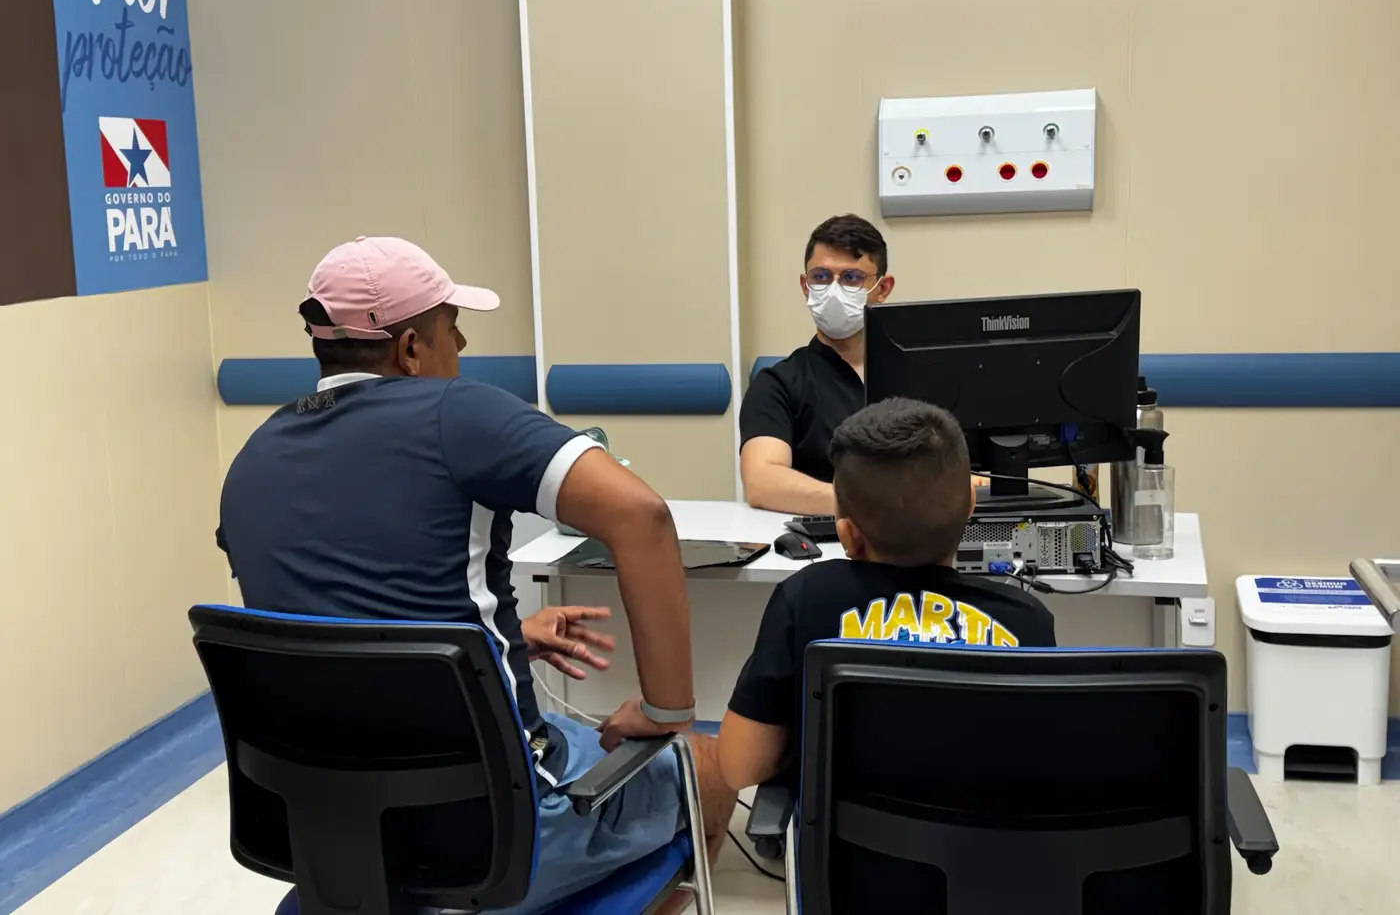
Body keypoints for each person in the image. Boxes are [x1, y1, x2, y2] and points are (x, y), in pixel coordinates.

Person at [216, 236, 735, 915]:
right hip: (494, 841)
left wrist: (493, 643)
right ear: (410, 348)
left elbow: (332, 625)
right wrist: (664, 710)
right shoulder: (457, 413)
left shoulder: (252, 458)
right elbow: (642, 516)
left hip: (330, 839)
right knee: (709, 765)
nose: (460, 343)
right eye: (451, 327)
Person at [717, 397, 1057, 790]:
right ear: (970, 505)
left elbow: (739, 768)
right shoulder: (1028, 620)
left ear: (848, 535)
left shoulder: (805, 598)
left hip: (847, 832)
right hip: (982, 832)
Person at [739, 214, 894, 515]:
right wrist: (874, 508)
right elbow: (762, 481)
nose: (834, 290)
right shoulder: (778, 384)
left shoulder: (919, 373)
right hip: (821, 537)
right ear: (805, 285)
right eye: (821, 277)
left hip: (918, 538)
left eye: (851, 278)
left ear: (883, 289)